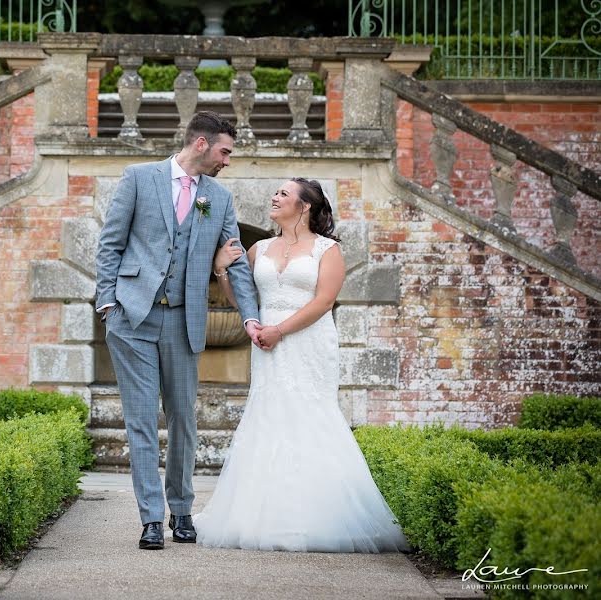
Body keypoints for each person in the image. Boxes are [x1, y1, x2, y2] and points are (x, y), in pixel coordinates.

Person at [194, 177, 410, 553]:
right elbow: (242, 298)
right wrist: (221, 270)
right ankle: (262, 514)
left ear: (305, 205)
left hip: (308, 341)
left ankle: (317, 515)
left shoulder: (327, 250)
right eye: (274, 192)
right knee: (269, 414)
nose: (274, 197)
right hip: (268, 346)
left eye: (282, 193)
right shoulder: (259, 248)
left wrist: (280, 329)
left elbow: (324, 301)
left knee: (309, 414)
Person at [95, 112, 262, 550]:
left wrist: (249, 316)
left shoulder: (219, 199)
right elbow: (110, 243)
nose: (228, 161)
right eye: (225, 151)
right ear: (202, 143)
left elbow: (236, 261)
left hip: (184, 318)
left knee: (184, 418)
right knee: (141, 420)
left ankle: (182, 510)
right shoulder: (138, 178)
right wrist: (107, 302)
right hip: (132, 317)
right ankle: (151, 519)